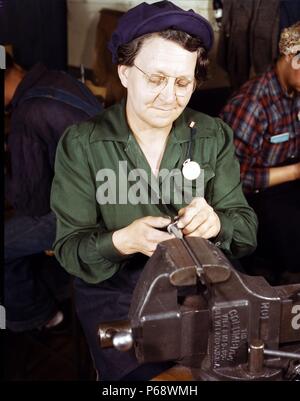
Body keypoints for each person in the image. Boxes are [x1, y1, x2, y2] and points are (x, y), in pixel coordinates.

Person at [51, 0, 258, 380]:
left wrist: (216, 225)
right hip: (116, 290)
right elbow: (69, 250)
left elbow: (245, 232)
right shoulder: (82, 144)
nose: (170, 97)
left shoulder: (213, 135)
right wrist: (121, 241)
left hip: (203, 281)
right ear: (125, 72)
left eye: (183, 82)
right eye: (156, 79)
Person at [4, 53, 102, 332]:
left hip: (92, 214)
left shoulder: (27, 114)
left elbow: (32, 202)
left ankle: (37, 315)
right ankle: (57, 285)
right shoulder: (59, 79)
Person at [220, 22, 300, 281]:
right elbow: (231, 179)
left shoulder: (295, 90)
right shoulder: (253, 104)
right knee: (285, 219)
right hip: (254, 193)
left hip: (287, 175)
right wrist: (296, 172)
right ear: (291, 57)